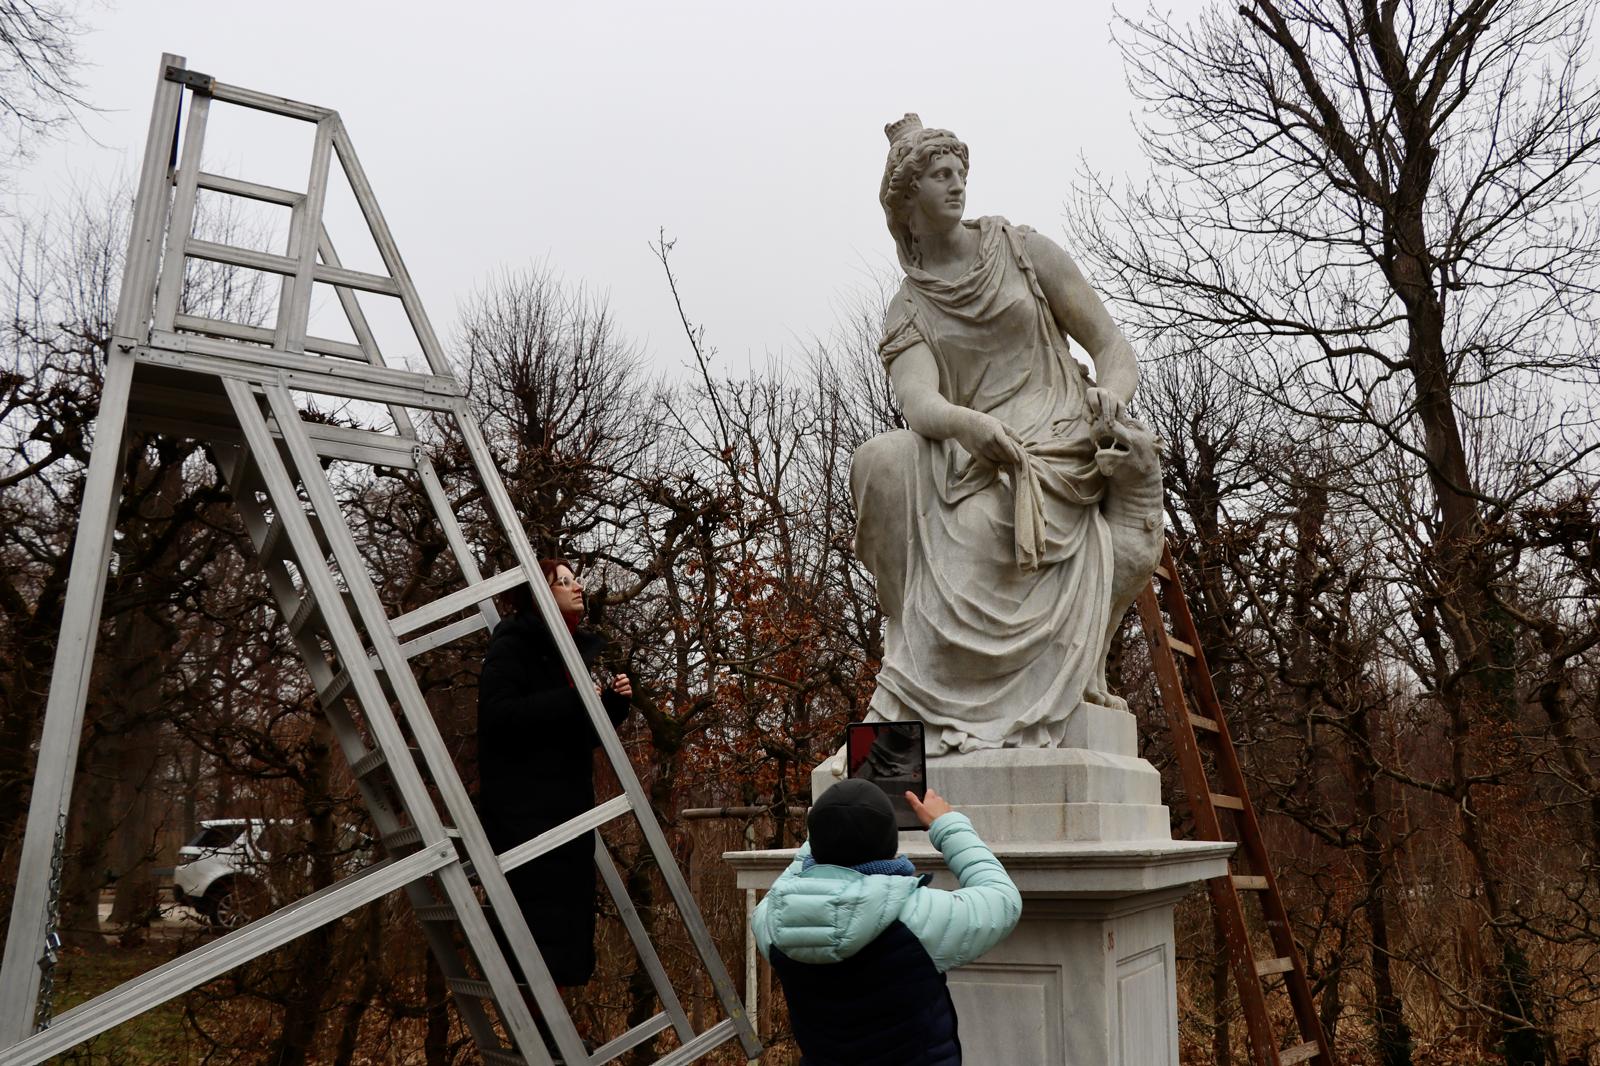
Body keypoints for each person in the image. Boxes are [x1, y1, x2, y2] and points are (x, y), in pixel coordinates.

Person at [851, 115, 1164, 754]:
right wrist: (969, 427)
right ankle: (907, 708)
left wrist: (1112, 393)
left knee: (984, 523)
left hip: (1062, 443)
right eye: (939, 175)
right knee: (879, 461)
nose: (956, 184)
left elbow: (1111, 346)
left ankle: (960, 712)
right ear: (907, 203)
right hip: (977, 450)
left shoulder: (1024, 251)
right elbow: (918, 401)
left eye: (959, 172)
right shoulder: (908, 308)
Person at [752, 780, 1021, 1066]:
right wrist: (947, 824)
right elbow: (1003, 900)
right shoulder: (916, 915)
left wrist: (831, 824)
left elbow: (788, 884)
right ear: (890, 842)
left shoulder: (773, 922)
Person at [476, 558, 631, 989]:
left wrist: (611, 710)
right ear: (538, 596)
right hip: (527, 822)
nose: (576, 585)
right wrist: (574, 698)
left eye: (573, 578)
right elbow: (499, 717)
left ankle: (555, 1046)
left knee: (563, 947)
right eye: (562, 581)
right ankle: (539, 1045)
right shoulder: (513, 645)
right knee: (531, 947)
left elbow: (568, 737)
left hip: (565, 817)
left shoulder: (566, 650)